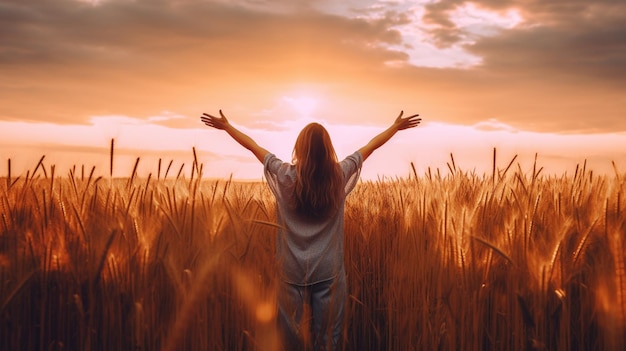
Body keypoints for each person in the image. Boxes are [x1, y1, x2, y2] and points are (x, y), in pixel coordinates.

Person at [200, 110, 421, 350]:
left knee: (290, 341)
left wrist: (228, 127)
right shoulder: (339, 174)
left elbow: (254, 147)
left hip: (290, 272)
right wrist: (394, 127)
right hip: (330, 273)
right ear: (328, 149)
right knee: (328, 341)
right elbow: (371, 147)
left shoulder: (284, 175)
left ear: (299, 149)